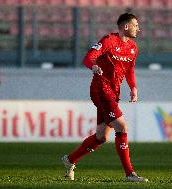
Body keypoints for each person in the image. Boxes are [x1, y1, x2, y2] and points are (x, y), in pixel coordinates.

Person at [62, 13, 148, 182]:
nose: (138, 28)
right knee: (122, 127)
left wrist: (133, 88)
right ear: (125, 26)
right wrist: (93, 65)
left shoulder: (133, 47)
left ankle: (70, 159)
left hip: (113, 93)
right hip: (100, 89)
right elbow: (88, 57)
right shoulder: (108, 40)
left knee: (101, 137)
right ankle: (130, 174)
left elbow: (129, 69)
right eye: (135, 25)